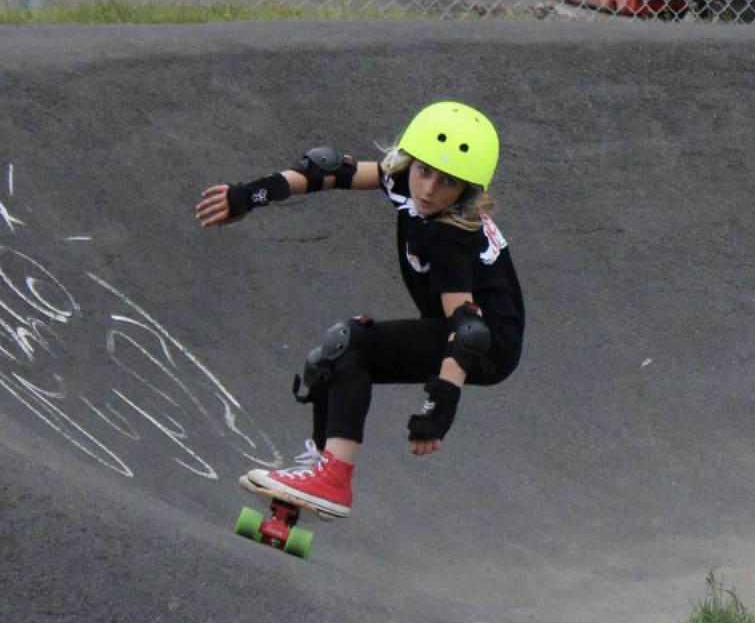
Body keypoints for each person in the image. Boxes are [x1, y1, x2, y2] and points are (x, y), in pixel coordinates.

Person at [196, 101, 525, 518]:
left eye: (447, 182)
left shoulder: (449, 238)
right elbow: (329, 169)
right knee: (328, 361)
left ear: (467, 191)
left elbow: (467, 331)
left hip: (487, 345)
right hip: (463, 330)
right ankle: (319, 472)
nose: (428, 190)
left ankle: (332, 479)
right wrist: (247, 196)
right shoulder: (407, 181)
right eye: (424, 171)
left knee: (353, 341)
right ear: (411, 161)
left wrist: (437, 410)